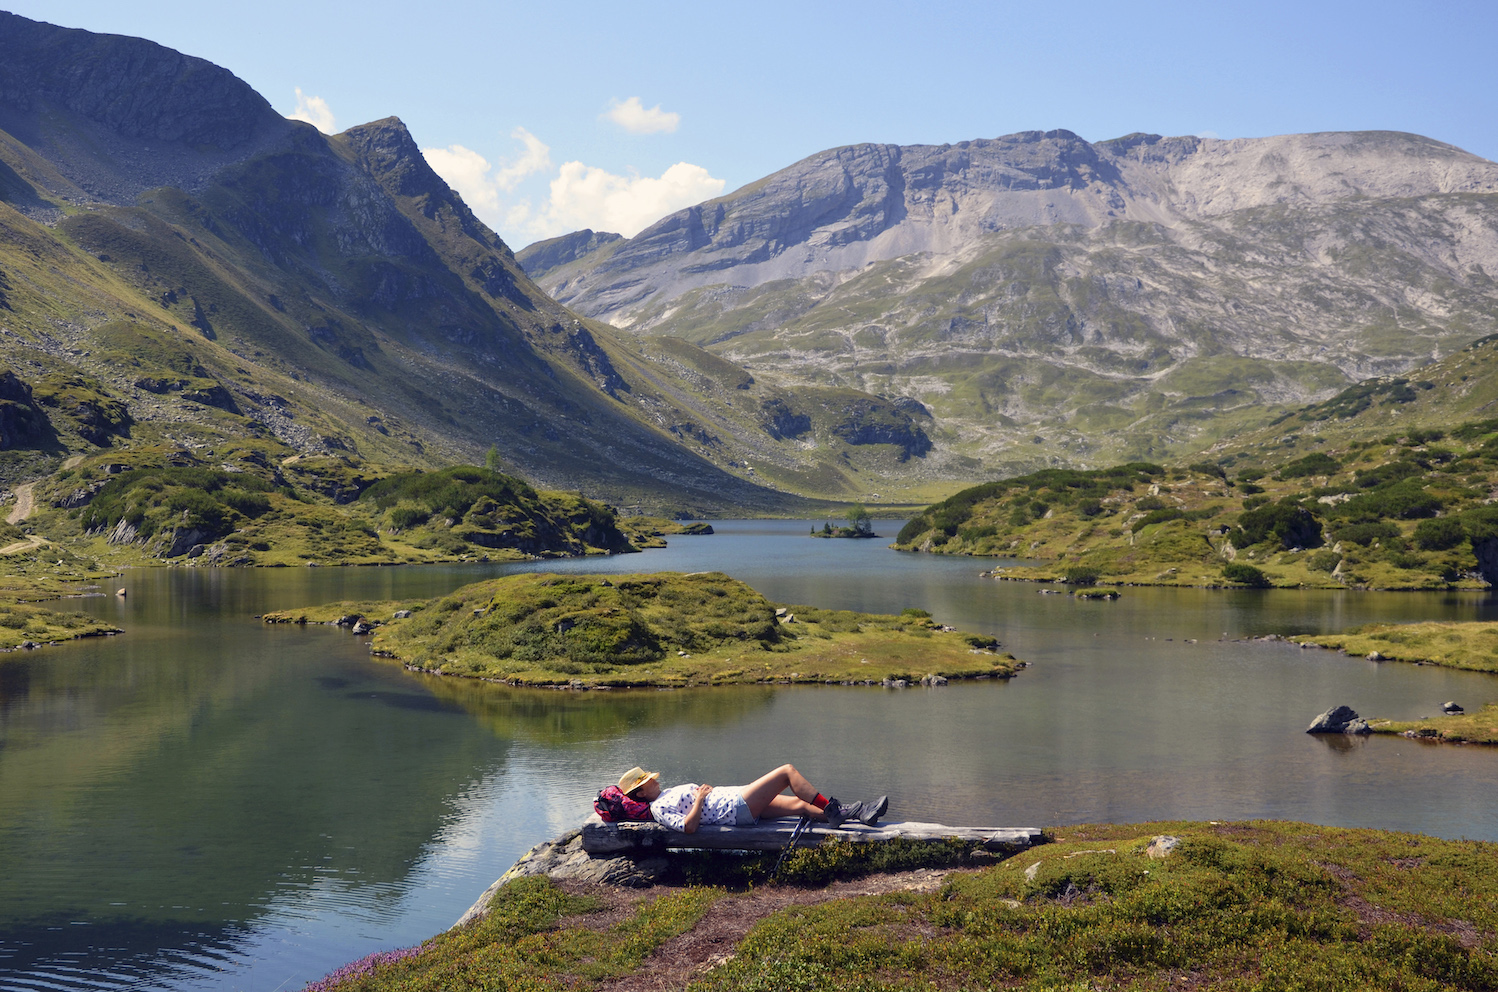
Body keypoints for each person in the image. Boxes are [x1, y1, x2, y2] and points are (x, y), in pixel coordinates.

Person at [615, 764, 887, 834]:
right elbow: (688, 828)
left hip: (736, 801)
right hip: (734, 808)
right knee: (786, 773)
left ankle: (858, 813)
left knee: (801, 806)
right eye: (647, 780)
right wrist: (699, 798)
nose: (653, 779)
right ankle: (833, 810)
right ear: (640, 792)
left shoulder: (663, 794)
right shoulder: (659, 807)